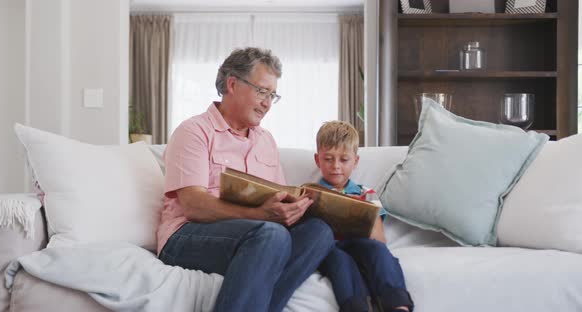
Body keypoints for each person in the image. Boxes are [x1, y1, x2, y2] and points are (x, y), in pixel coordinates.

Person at [156, 47, 334, 312]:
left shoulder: (266, 141)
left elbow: (277, 197)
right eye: (262, 91)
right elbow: (194, 205)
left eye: (273, 95)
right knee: (271, 235)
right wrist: (263, 216)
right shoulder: (193, 131)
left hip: (256, 237)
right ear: (232, 84)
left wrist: (292, 209)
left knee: (319, 232)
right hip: (186, 236)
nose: (267, 103)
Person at [314, 121, 414, 312]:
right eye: (328, 159)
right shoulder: (311, 193)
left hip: (361, 243)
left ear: (356, 162)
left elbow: (379, 239)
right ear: (318, 160)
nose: (335, 166)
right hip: (330, 248)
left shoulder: (367, 194)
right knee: (339, 261)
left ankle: (398, 305)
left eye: (344, 160)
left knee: (377, 251)